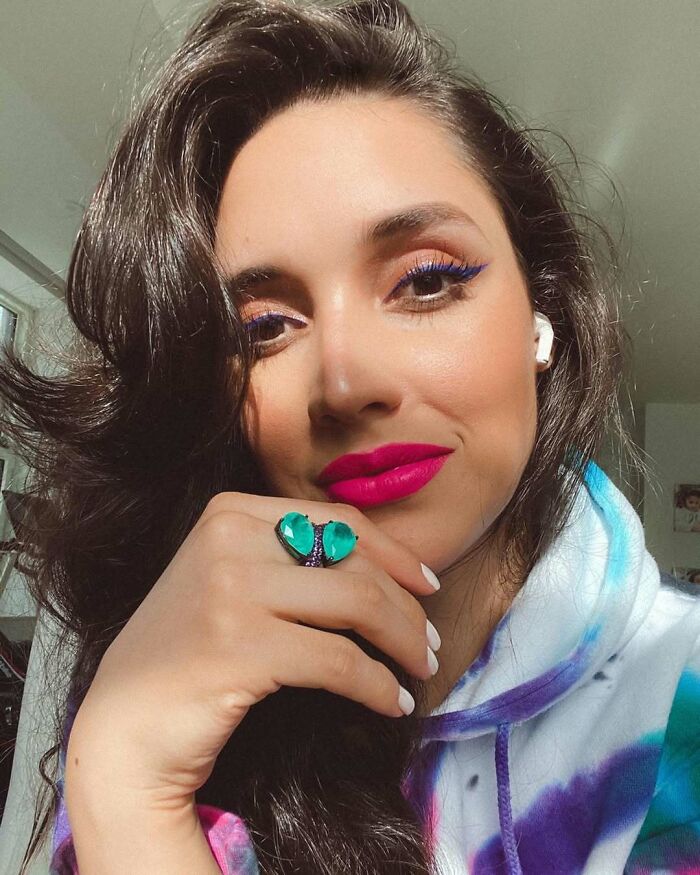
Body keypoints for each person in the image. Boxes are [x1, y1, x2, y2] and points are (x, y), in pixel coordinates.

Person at [1, 1, 699, 873]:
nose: (343, 382)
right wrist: (122, 780)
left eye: (427, 281)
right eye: (262, 329)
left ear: (540, 313)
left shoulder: (682, 699)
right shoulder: (176, 688)